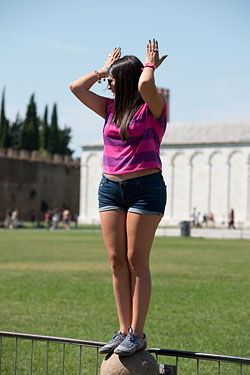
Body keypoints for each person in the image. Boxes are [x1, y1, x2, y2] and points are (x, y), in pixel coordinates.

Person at [70, 39, 168, 357]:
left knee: (136, 261)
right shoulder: (109, 109)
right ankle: (123, 330)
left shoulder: (153, 108)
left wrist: (149, 65)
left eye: (113, 79)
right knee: (116, 262)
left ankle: (137, 334)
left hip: (145, 189)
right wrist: (102, 69)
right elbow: (76, 87)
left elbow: (146, 83)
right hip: (110, 188)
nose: (108, 84)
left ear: (125, 80)